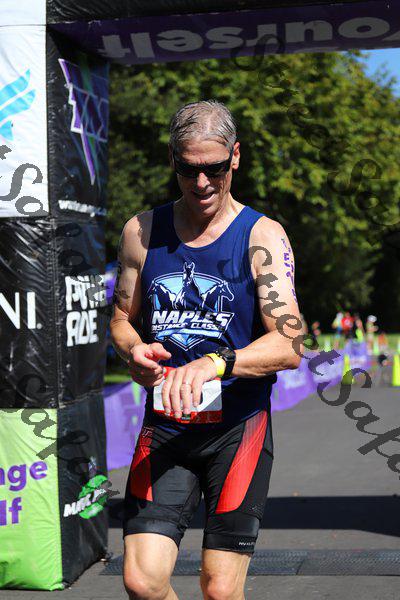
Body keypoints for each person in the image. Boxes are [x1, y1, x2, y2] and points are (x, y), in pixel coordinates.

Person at [110, 100, 302, 600]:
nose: (201, 183)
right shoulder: (141, 232)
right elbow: (122, 320)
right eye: (188, 168)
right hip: (166, 428)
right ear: (172, 160)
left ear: (235, 157)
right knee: (142, 580)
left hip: (236, 432)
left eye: (214, 169)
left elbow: (289, 343)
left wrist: (216, 363)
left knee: (219, 589)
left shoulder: (261, 236)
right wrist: (134, 352)